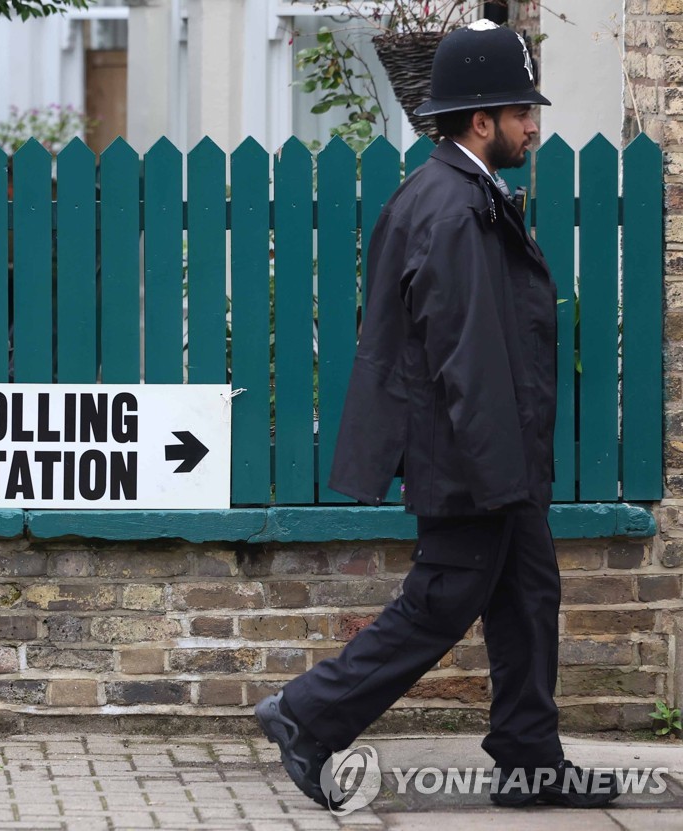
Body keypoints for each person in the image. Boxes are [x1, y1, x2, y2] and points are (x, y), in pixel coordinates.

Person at [255, 21, 621, 810]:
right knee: (440, 603)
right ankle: (307, 713)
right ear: (482, 119)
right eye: (524, 110)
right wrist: (499, 474)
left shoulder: (463, 194)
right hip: (471, 459)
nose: (535, 124)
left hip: (494, 456)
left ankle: (531, 763)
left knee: (528, 595)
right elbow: (469, 353)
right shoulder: (453, 210)